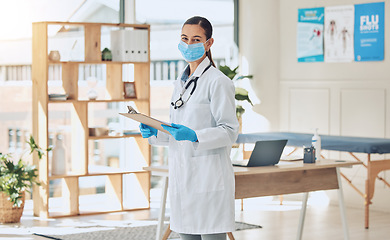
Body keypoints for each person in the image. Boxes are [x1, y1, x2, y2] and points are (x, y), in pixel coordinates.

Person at [140, 16, 239, 240]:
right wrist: (158, 133)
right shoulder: (181, 83)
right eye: (184, 38)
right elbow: (178, 132)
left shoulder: (218, 81)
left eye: (196, 39)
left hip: (208, 177)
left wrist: (196, 136)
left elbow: (230, 130)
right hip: (183, 178)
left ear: (209, 43)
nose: (188, 44)